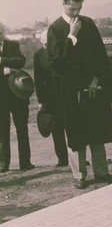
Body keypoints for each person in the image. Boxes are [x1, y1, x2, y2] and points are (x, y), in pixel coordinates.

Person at [47, 0, 112, 188]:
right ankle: (79, 176)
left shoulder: (89, 24)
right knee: (76, 134)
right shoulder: (55, 29)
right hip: (70, 91)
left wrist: (96, 79)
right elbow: (57, 62)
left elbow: (99, 56)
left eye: (79, 8)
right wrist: (72, 36)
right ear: (64, 3)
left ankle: (102, 172)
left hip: (92, 88)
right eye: (72, 9)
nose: (76, 13)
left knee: (96, 130)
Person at [0, 23, 35, 172]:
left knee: (22, 127)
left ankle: (25, 163)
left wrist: (2, 61)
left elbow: (20, 61)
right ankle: (3, 164)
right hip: (1, 96)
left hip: (17, 93)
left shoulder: (12, 45)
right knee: (2, 130)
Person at [34, 29, 68, 166]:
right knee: (56, 129)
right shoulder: (39, 55)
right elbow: (38, 80)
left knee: (70, 125)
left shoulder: (61, 51)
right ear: (42, 42)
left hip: (65, 94)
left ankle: (76, 158)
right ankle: (62, 158)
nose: (48, 45)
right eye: (46, 43)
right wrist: (41, 100)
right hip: (50, 98)